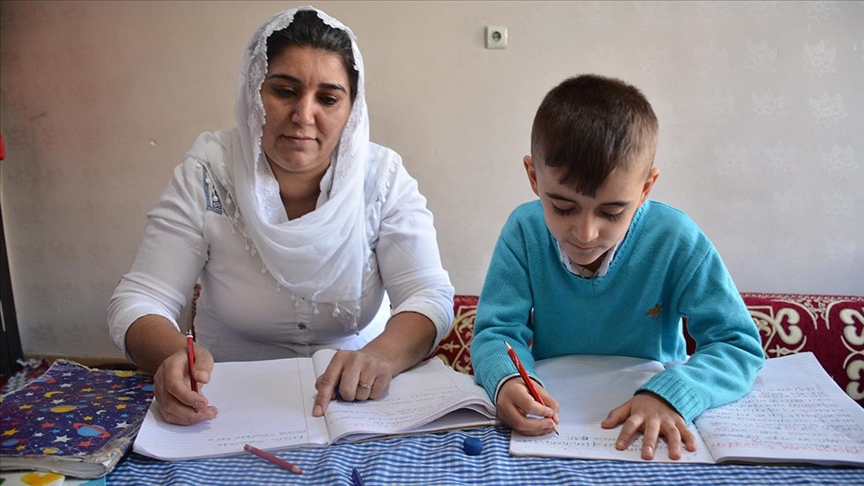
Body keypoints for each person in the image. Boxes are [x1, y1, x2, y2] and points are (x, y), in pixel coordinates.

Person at [108, 6, 454, 426]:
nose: (304, 116)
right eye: (284, 91)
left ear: (352, 110)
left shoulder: (382, 177)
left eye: (328, 98)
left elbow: (428, 295)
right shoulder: (209, 173)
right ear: (252, 90)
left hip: (359, 402)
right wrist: (175, 356)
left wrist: (379, 357)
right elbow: (140, 299)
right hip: (227, 401)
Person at [470, 74, 764, 461]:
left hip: (655, 424)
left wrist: (671, 393)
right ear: (533, 177)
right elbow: (496, 332)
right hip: (555, 431)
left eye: (611, 212)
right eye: (562, 207)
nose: (586, 233)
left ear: (645, 189)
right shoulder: (524, 230)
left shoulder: (675, 238)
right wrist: (506, 381)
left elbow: (737, 344)